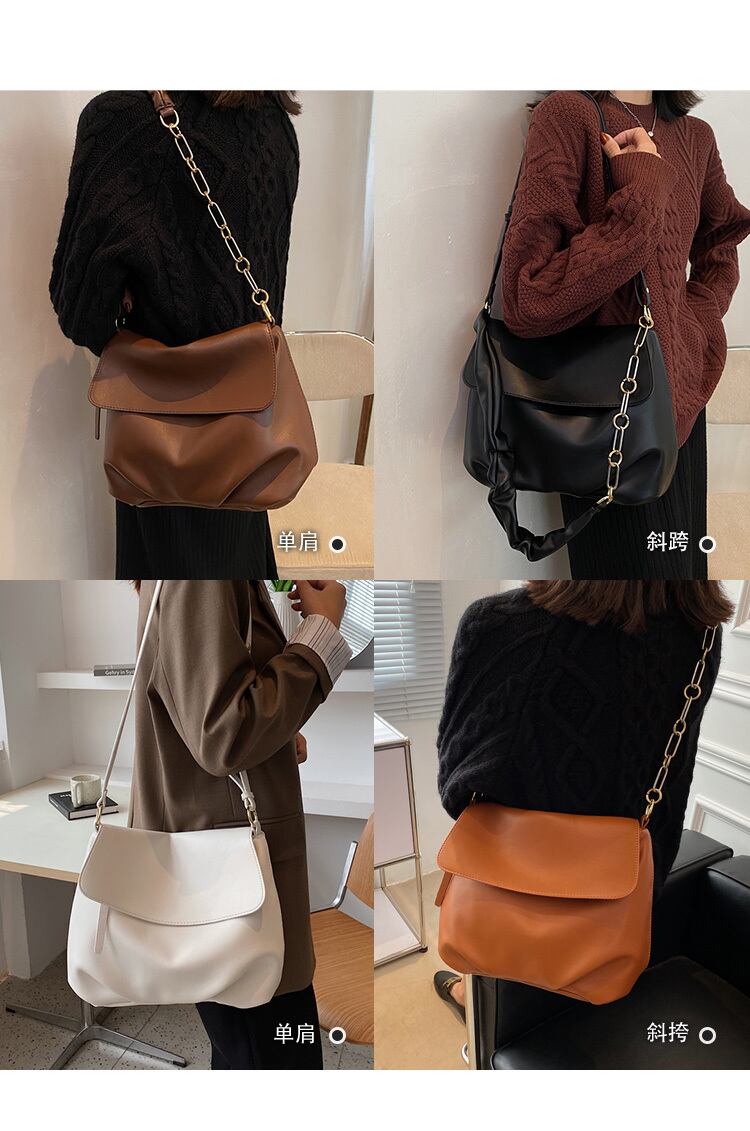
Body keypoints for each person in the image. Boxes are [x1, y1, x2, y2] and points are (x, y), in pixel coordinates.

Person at [432, 580, 733, 1021]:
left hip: (503, 879)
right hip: (637, 874)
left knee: (493, 944)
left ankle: (471, 997)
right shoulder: (703, 631)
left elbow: (457, 784)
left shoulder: (497, 622)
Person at [50, 90, 301, 580]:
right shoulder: (274, 121)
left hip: (157, 436)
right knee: (242, 590)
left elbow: (81, 312)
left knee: (181, 601)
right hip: (250, 436)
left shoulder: (125, 120)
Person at [500, 91, 750, 579]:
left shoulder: (695, 136)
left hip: (683, 407)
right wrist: (641, 189)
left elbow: (721, 239)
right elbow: (529, 299)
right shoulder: (569, 116)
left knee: (686, 590)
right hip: (607, 412)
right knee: (626, 606)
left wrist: (695, 318)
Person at [129, 578, 351, 1069]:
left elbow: (214, 711)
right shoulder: (202, 569)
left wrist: (276, 736)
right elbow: (224, 734)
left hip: (227, 880)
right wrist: (320, 633)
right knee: (275, 1059)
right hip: (236, 899)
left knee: (249, 1052)